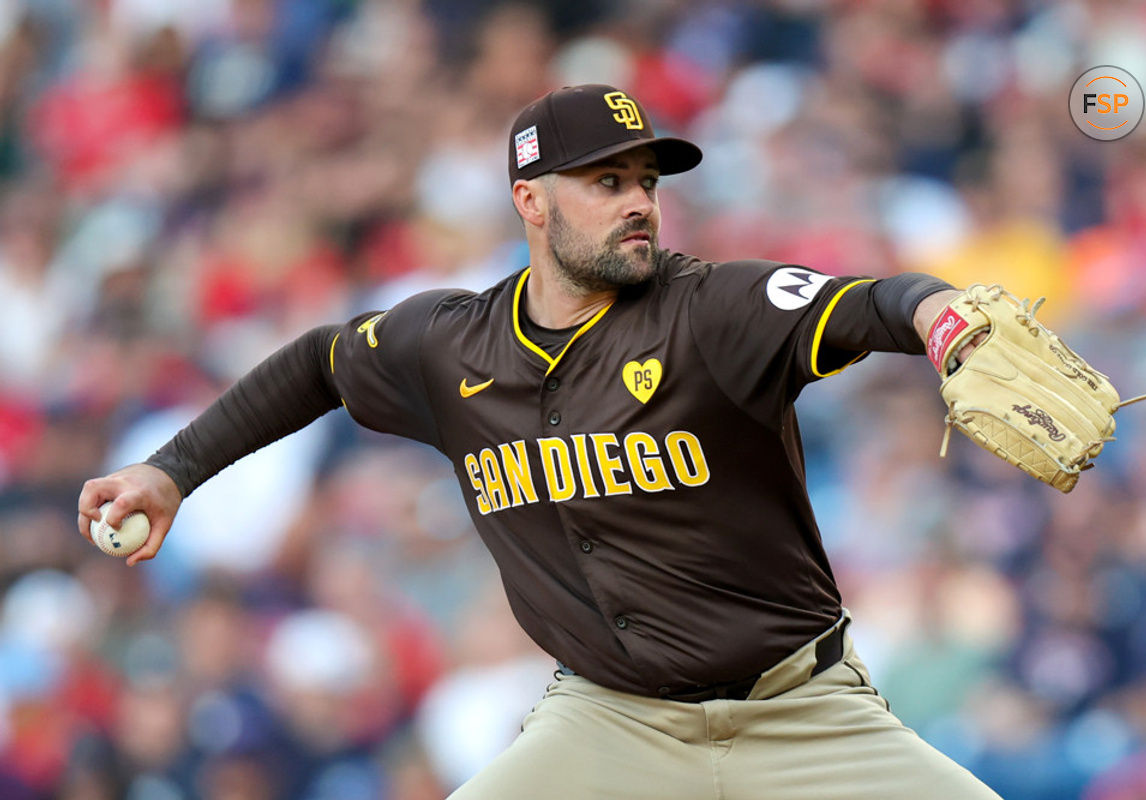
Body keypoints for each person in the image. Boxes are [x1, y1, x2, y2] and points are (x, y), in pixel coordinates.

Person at [80, 84, 1004, 799]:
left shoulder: (710, 310)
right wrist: (172, 471)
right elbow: (320, 363)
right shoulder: (453, 345)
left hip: (803, 711)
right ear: (531, 200)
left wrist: (939, 313)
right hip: (609, 721)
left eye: (646, 180)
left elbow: (867, 302)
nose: (638, 201)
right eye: (606, 182)